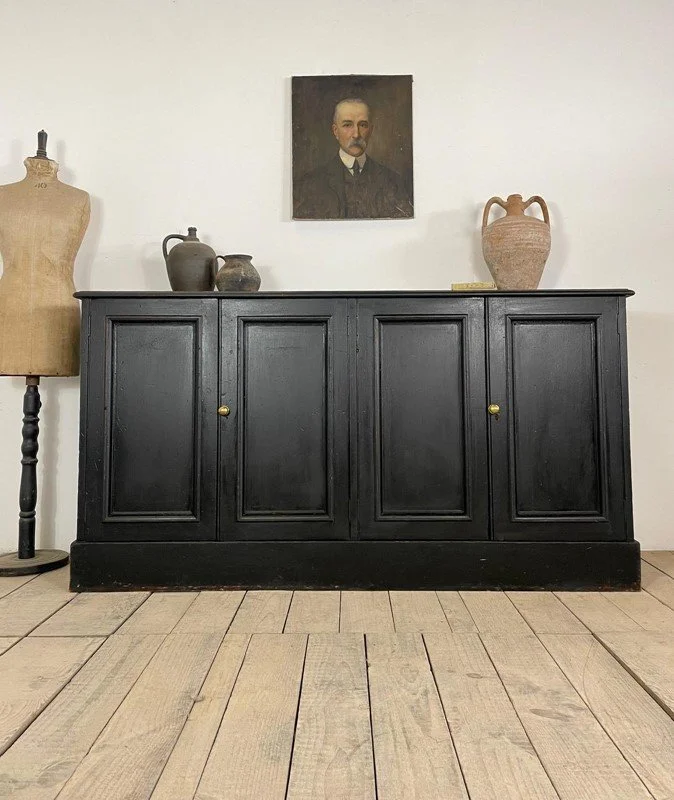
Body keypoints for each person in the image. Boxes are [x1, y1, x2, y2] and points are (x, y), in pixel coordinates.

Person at [293, 98, 413, 220]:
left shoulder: (394, 181)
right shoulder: (309, 184)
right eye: (347, 125)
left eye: (362, 125)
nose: (356, 134)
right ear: (335, 131)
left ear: (371, 130)